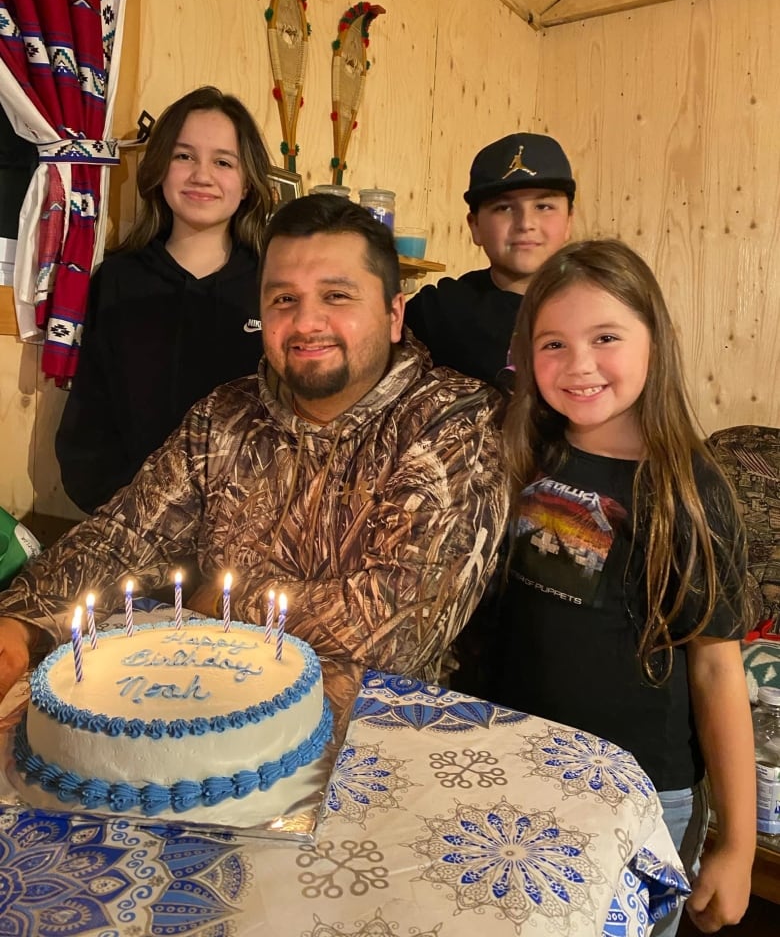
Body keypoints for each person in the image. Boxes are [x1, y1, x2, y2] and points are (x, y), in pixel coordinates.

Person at [0, 194, 508, 730]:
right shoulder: (226, 414)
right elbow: (127, 537)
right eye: (283, 299)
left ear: (392, 314)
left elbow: (401, 622)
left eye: (337, 295)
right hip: (199, 712)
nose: (307, 322)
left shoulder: (458, 423)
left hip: (376, 738)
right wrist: (20, 622)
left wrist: (223, 601)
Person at [489, 238, 755, 935]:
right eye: (553, 344)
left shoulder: (691, 492)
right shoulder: (527, 454)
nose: (578, 365)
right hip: (521, 763)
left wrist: (738, 844)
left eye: (605, 337)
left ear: (654, 343)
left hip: (642, 794)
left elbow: (718, 671)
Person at [55, 86, 272, 514]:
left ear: (247, 183)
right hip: (127, 524)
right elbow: (87, 424)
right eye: (184, 156)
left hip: (244, 530)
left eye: (223, 162)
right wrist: (127, 510)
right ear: (160, 169)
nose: (202, 175)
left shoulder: (274, 288)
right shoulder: (118, 280)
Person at [404, 132, 575, 388]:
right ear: (475, 226)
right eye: (504, 208)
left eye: (544, 206)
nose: (525, 224)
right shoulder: (436, 313)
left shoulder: (600, 308)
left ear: (569, 221)